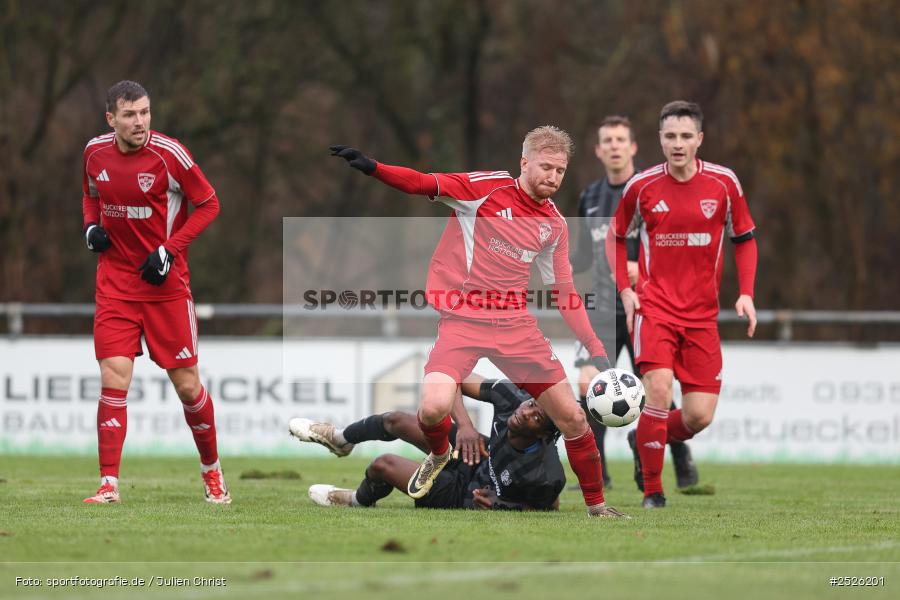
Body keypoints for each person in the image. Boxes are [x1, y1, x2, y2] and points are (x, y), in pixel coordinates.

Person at [331, 126, 627, 518]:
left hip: (516, 328)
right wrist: (374, 168)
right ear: (524, 163)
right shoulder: (483, 188)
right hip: (463, 320)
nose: (553, 177)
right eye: (546, 167)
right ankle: (439, 455)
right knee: (433, 409)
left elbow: (565, 293)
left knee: (572, 417)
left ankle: (597, 506)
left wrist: (597, 348)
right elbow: (422, 183)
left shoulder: (553, 225)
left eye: (560, 171)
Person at [81, 80, 229, 504]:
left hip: (165, 290)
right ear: (111, 119)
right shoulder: (94, 153)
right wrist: (90, 227)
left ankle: (212, 472)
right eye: (129, 115)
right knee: (113, 378)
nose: (140, 122)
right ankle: (109, 484)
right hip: (114, 286)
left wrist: (169, 248)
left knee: (187, 387)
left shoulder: (170, 155)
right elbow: (90, 197)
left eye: (145, 112)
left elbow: (210, 204)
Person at [607, 101, 758, 508]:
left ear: (700, 140)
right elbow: (616, 236)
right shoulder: (642, 187)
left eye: (686, 136)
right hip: (655, 310)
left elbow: (744, 238)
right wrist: (625, 288)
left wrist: (746, 293)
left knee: (698, 417)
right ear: (659, 139)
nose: (678, 144)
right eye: (670, 136)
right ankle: (654, 493)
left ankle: (644, 438)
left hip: (702, 317)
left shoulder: (724, 184)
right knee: (657, 390)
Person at [570, 116, 698, 492]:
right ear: (598, 150)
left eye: (620, 139)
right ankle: (598, 471)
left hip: (645, 306)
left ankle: (682, 462)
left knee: (656, 388)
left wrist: (641, 268)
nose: (613, 145)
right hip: (601, 310)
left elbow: (676, 244)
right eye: (606, 140)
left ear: (633, 147)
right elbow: (582, 257)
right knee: (588, 383)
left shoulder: (652, 189)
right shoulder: (590, 197)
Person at [291, 373, 565, 511]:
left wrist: (502, 505)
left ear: (543, 435)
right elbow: (453, 378)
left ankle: (354, 500)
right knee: (396, 419)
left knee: (382, 465)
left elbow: (549, 505)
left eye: (536, 418)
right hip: (475, 451)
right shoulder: (510, 397)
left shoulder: (543, 473)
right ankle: (340, 439)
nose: (525, 412)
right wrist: (466, 425)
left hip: (463, 492)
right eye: (532, 404)